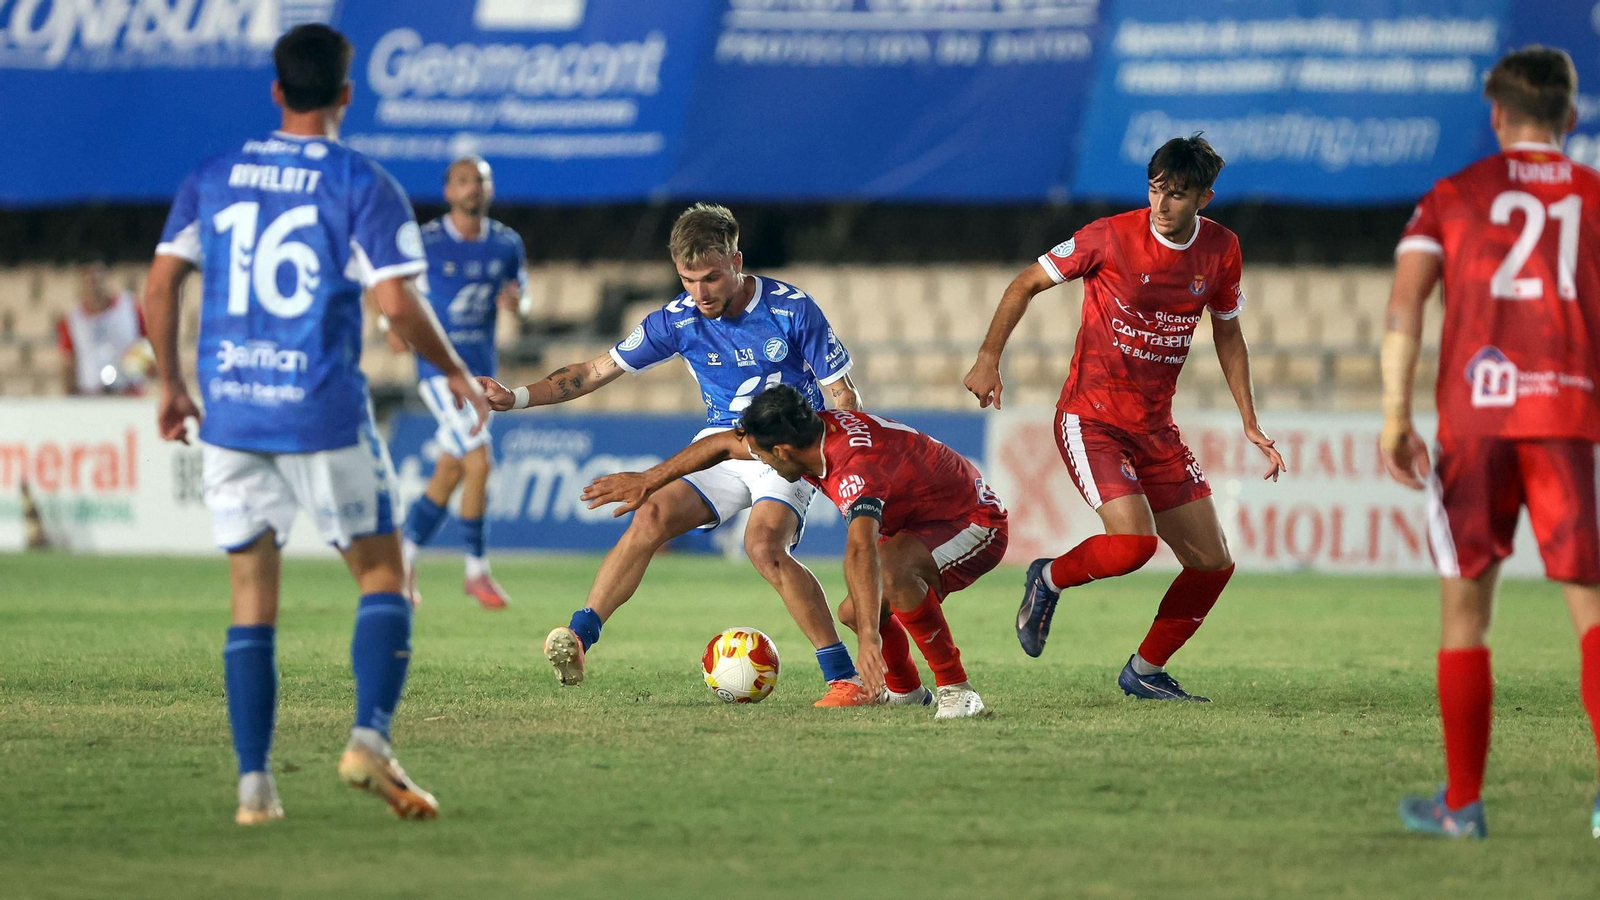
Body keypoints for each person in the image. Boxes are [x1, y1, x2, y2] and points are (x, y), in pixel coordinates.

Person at [142, 23, 488, 826]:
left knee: (250, 599)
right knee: (383, 575)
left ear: (275, 91)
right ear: (345, 94)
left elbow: (160, 287)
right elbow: (397, 305)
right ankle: (368, 738)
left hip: (230, 411)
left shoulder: (215, 175)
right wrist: (456, 372)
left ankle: (254, 790)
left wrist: (171, 385)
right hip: (321, 410)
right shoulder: (362, 185)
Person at [477, 203, 877, 707]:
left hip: (786, 449)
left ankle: (844, 677)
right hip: (722, 444)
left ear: (737, 260)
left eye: (711, 277)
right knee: (652, 514)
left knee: (763, 546)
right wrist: (514, 397)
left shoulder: (791, 309)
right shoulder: (678, 319)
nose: (700, 292)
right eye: (688, 279)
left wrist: (846, 466)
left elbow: (844, 395)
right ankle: (579, 638)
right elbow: (595, 371)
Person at [963, 134, 1285, 702]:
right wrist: (988, 357)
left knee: (1213, 565)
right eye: (1156, 189)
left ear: (1204, 198)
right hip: (1091, 419)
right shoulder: (1109, 236)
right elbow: (1027, 282)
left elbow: (1229, 334)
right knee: (1134, 546)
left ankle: (1145, 670)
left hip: (1155, 427)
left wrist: (1249, 419)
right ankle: (1048, 577)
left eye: (1178, 195)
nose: (1162, 205)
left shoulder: (1221, 250)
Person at [1381, 46, 1600, 840]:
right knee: (1591, 609)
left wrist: (1394, 414)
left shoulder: (1454, 194)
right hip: (1567, 418)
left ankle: (1463, 806)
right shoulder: (1595, 195)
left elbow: (1406, 308)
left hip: (1475, 423)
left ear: (1496, 115)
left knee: (1465, 613)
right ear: (1570, 118)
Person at [584, 384, 1008, 718]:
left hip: (972, 520)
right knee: (852, 611)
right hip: (918, 522)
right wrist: (650, 479)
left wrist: (869, 639)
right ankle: (906, 691)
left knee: (891, 580)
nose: (762, 464)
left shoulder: (854, 467)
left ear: (782, 452)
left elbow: (861, 548)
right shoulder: (809, 429)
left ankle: (957, 689)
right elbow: (718, 446)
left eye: (764, 458)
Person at [392, 156, 527, 610]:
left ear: (490, 190)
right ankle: (476, 571)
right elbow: (390, 284)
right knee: (479, 459)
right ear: (448, 190)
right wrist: (387, 322)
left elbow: (520, 297)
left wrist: (516, 305)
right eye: (465, 181)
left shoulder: (507, 243)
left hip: (481, 373)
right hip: (437, 370)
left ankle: (403, 558)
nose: (474, 189)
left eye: (481, 182)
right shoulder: (426, 241)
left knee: (450, 470)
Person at [57, 262, 153, 395]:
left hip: (128, 391)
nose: (95, 287)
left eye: (98, 280)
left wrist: (141, 363)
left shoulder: (130, 308)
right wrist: (70, 393)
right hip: (91, 394)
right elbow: (68, 360)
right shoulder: (72, 319)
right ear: (82, 284)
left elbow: (148, 343)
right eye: (90, 281)